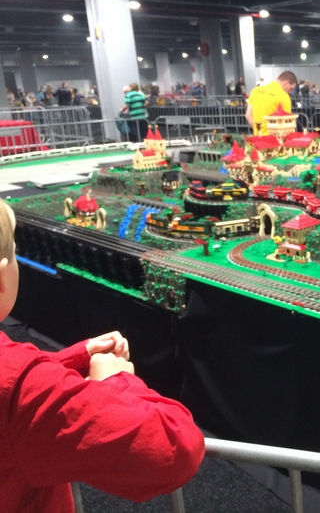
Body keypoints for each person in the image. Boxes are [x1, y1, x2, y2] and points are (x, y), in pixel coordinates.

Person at [0, 200, 205, 512]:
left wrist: (71, 359)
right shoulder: (23, 393)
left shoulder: (20, 384)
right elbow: (174, 450)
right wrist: (116, 380)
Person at [245, 71, 297, 135]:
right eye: (291, 89)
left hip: (257, 137)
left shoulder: (255, 90)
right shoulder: (284, 96)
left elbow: (248, 116)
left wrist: (258, 130)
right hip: (274, 138)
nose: (289, 92)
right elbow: (286, 124)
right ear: (287, 83)